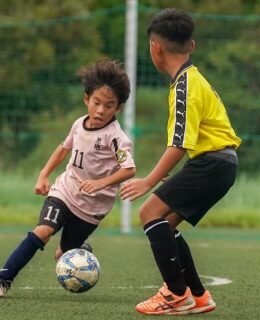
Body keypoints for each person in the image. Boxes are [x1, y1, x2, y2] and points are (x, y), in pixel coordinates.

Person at [121, 8, 241, 315]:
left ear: (155, 47)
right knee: (166, 222)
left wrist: (149, 180)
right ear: (192, 45)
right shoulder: (192, 79)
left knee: (149, 212)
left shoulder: (185, 85)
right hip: (218, 163)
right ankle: (198, 296)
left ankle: (175, 293)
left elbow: (178, 144)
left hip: (212, 163)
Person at [0, 57, 136, 297]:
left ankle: (79, 249)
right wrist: (44, 174)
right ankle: (4, 279)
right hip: (65, 190)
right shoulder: (78, 124)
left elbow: (129, 169)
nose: (100, 110)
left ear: (118, 108)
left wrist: (100, 183)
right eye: (96, 103)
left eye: (109, 105)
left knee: (62, 256)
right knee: (43, 230)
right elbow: (64, 148)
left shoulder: (117, 138)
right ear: (87, 99)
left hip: (92, 207)